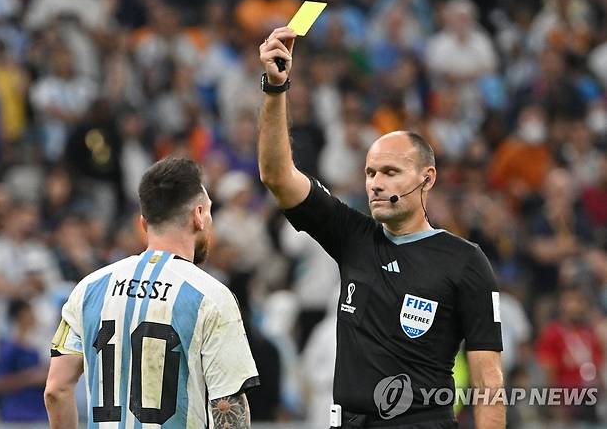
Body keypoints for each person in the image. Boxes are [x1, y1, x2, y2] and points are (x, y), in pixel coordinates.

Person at [257, 27, 504, 428]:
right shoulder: (353, 236)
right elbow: (276, 176)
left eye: (390, 172)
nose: (375, 182)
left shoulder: (464, 261)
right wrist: (274, 88)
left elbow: (488, 380)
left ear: (428, 178)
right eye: (370, 172)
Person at [44, 157, 259, 428]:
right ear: (199, 216)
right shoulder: (211, 297)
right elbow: (228, 409)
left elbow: (56, 391)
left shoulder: (88, 289)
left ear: (144, 223)